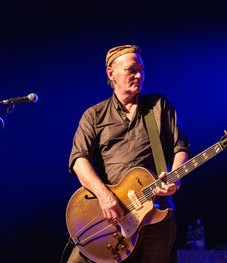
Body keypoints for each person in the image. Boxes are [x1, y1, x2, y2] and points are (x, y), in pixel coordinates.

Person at [67, 45, 190, 263]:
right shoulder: (94, 115)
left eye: (142, 69)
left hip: (155, 216)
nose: (139, 75)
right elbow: (79, 161)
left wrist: (176, 177)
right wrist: (105, 196)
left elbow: (180, 147)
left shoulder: (159, 106)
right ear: (111, 73)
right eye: (131, 70)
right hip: (111, 217)